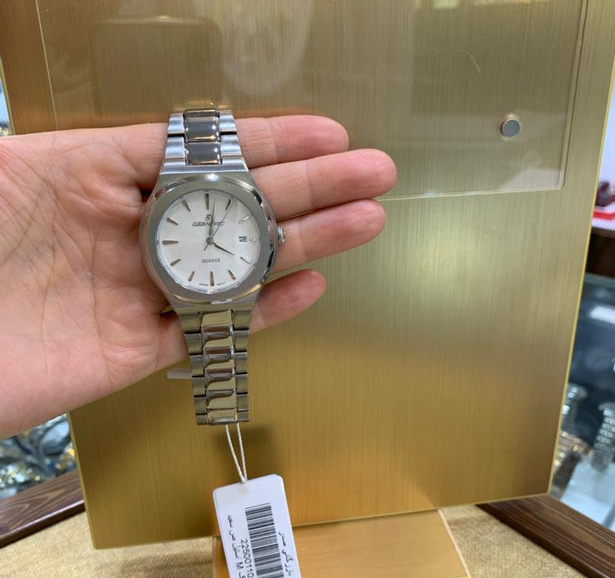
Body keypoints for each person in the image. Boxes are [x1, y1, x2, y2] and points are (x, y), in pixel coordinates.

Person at [0, 115, 396, 438]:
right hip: (198, 287)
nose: (209, 242)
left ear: (273, 236)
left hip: (216, 283)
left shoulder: (242, 219)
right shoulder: (164, 234)